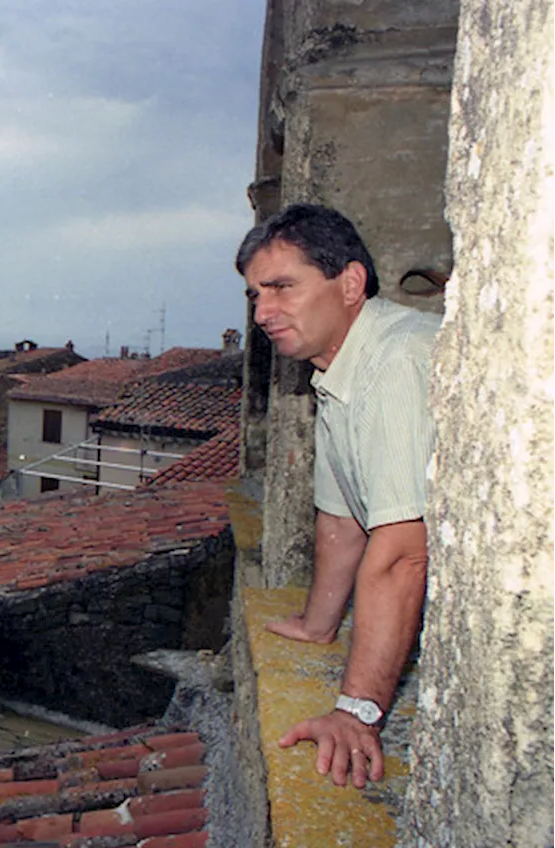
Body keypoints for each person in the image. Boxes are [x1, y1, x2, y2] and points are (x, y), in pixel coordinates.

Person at [235, 204, 440, 789]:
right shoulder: (339, 370)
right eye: (255, 296)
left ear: (350, 283)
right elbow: (343, 519)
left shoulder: (397, 360)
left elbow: (404, 553)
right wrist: (317, 624)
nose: (263, 313)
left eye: (281, 288)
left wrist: (357, 713)